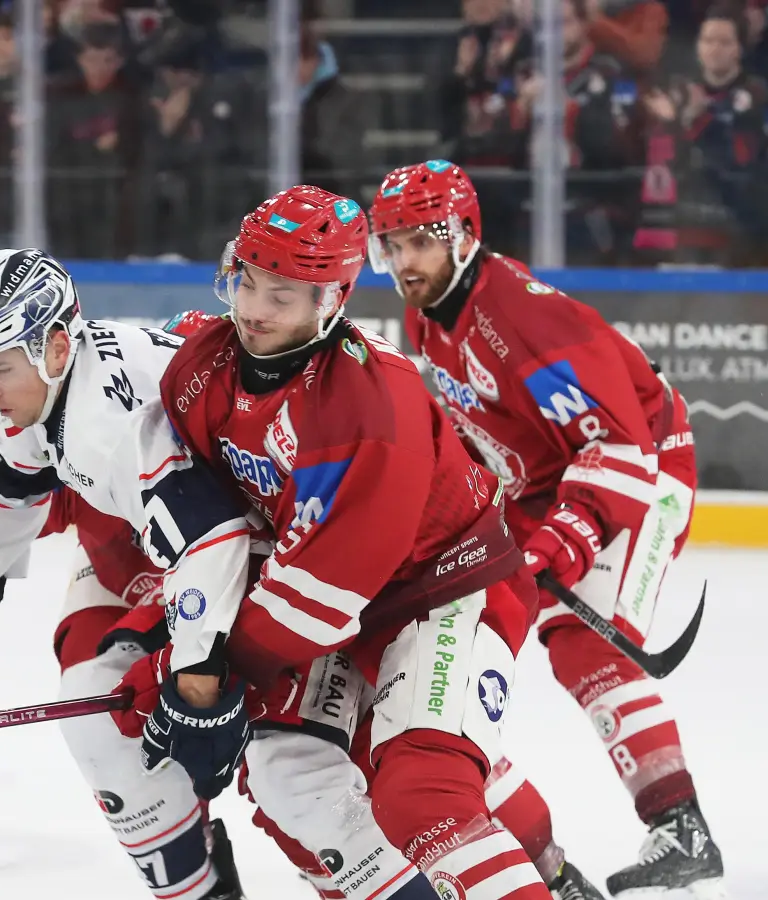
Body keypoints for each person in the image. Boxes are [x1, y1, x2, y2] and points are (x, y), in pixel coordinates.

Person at [0, 252, 435, 900]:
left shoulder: (113, 423)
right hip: (157, 554)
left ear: (56, 348)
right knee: (96, 713)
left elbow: (214, 539)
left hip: (277, 560)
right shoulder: (37, 404)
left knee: (292, 773)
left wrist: (198, 678)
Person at [120, 184, 556, 900]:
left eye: (282, 296)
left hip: (443, 591)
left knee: (423, 792)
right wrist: (178, 639)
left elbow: (322, 593)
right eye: (247, 282)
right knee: (294, 780)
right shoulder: (202, 367)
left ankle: (549, 876)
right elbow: (213, 526)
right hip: (331, 605)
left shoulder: (370, 405)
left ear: (331, 299)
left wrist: (204, 674)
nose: (254, 310)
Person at [369, 159, 724, 900]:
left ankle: (681, 825)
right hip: (549, 483)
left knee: (585, 642)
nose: (404, 263)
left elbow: (619, 449)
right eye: (392, 244)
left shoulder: (519, 317)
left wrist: (557, 542)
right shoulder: (430, 312)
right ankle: (541, 860)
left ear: (466, 235)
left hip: (647, 464)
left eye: (420, 243)